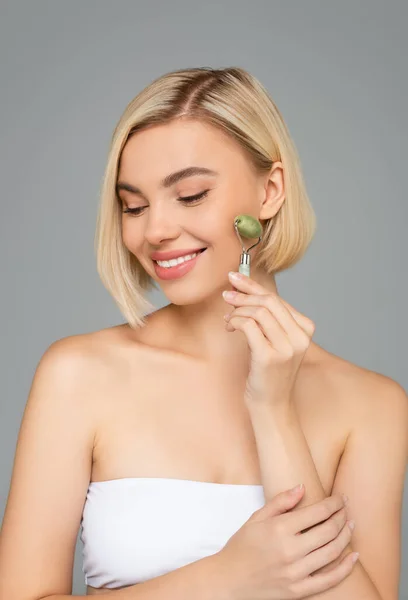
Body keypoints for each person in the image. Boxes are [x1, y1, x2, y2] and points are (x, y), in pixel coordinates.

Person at [0, 66, 407, 600]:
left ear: (270, 190)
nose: (155, 231)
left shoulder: (372, 405)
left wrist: (274, 411)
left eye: (190, 195)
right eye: (134, 206)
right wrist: (225, 578)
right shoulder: (78, 375)